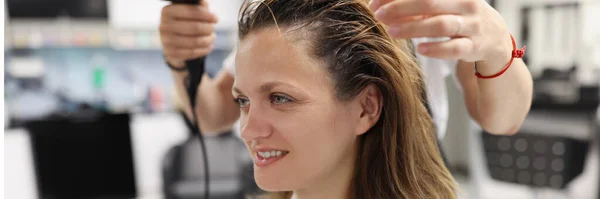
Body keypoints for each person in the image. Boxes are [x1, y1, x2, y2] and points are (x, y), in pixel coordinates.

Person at [159, 0, 533, 198]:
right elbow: (211, 113)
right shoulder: (276, 19)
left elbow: (502, 118)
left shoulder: (434, 8)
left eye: (280, 97)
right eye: (246, 101)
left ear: (368, 107)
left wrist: (500, 46)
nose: (249, 130)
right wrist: (181, 60)